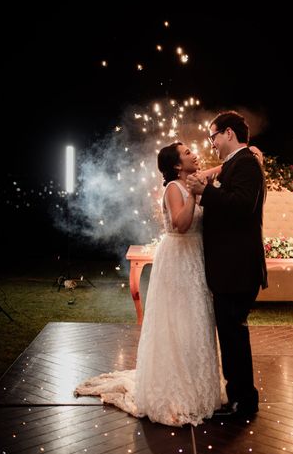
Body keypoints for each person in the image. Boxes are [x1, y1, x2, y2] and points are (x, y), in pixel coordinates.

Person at [75, 142, 225, 426]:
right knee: (177, 321)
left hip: (195, 257)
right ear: (177, 165)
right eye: (188, 152)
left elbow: (215, 170)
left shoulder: (190, 180)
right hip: (178, 257)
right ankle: (174, 390)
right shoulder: (174, 188)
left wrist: (242, 157)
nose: (194, 154)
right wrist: (194, 194)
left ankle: (197, 387)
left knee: (197, 320)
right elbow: (180, 223)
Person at [187, 110, 268, 417]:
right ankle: (239, 397)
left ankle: (243, 402)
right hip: (231, 269)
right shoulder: (236, 164)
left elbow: (242, 205)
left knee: (234, 336)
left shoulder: (245, 163)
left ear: (229, 133)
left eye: (214, 136)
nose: (213, 144)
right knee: (232, 334)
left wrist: (204, 191)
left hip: (237, 269)